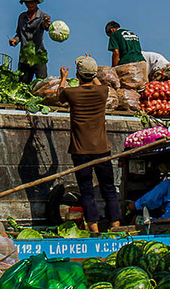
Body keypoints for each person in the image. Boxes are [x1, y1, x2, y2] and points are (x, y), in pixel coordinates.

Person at [57, 55, 121, 233]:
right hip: (102, 149)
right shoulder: (103, 92)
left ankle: (93, 227)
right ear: (93, 74)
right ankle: (115, 223)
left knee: (86, 190)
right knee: (108, 187)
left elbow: (59, 94)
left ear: (77, 75)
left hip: (80, 150)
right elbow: (98, 83)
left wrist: (63, 77)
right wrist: (91, 68)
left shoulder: (72, 93)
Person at [9, 0, 51, 83]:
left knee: (42, 83)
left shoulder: (43, 17)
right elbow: (19, 34)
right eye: (27, 2)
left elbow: (46, 27)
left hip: (38, 56)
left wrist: (47, 24)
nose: (29, 4)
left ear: (36, 2)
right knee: (22, 84)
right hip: (24, 58)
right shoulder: (21, 17)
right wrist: (15, 40)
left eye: (32, 2)